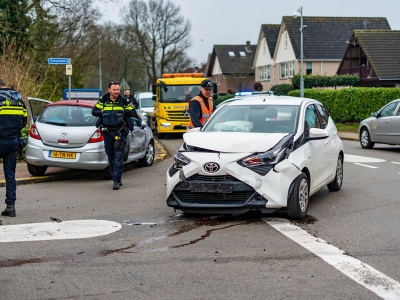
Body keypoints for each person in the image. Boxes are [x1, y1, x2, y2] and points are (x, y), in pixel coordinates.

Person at [92, 82, 137, 190]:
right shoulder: (103, 100)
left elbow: (133, 112)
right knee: (110, 156)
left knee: (118, 157)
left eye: (118, 89)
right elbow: (94, 111)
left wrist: (124, 110)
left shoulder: (124, 101)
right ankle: (116, 176)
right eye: (114, 90)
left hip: (120, 132)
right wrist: (101, 111)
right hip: (107, 132)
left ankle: (116, 180)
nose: (116, 91)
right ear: (109, 90)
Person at [0, 78, 27, 217]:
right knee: (10, 175)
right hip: (13, 141)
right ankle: (10, 207)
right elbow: (24, 120)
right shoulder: (18, 99)